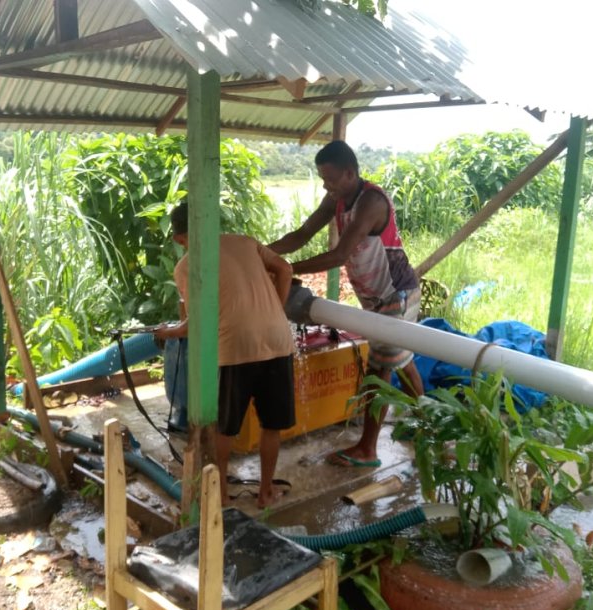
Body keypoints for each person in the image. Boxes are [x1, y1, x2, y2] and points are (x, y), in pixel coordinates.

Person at [270, 140, 424, 468]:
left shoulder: (371, 202)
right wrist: (263, 254)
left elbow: (339, 255)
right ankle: (427, 424)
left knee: (380, 368)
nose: (326, 186)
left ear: (350, 173)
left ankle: (368, 449)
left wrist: (286, 269)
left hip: (396, 294)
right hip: (376, 297)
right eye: (322, 179)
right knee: (402, 360)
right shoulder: (337, 199)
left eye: (330, 179)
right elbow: (302, 234)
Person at [155, 203, 296, 508]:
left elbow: (194, 324)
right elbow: (286, 269)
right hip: (278, 339)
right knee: (272, 424)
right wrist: (276, 310)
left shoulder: (186, 266)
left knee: (225, 427)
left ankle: (219, 494)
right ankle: (265, 492)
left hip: (236, 347)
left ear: (180, 239)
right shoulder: (245, 242)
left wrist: (166, 332)